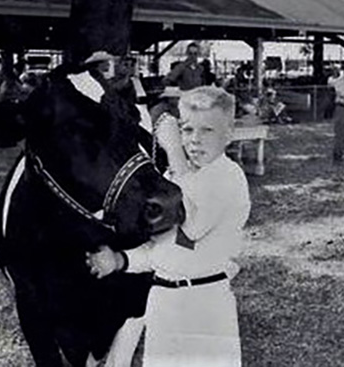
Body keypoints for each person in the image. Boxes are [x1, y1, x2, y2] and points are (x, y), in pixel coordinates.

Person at [87, 86, 251, 367]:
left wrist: (174, 150)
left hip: (205, 305)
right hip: (163, 302)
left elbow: (191, 226)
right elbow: (162, 245)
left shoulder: (228, 176)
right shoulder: (174, 177)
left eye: (207, 130)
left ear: (229, 133)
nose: (195, 140)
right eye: (186, 130)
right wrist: (119, 260)